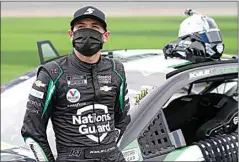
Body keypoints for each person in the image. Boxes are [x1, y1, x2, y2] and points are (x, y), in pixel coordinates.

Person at [21, 6, 131, 162]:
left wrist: (108, 149)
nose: (88, 32)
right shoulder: (52, 73)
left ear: (105, 36)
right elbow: (32, 131)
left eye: (94, 27)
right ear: (71, 35)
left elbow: (123, 118)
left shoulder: (116, 70)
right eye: (81, 27)